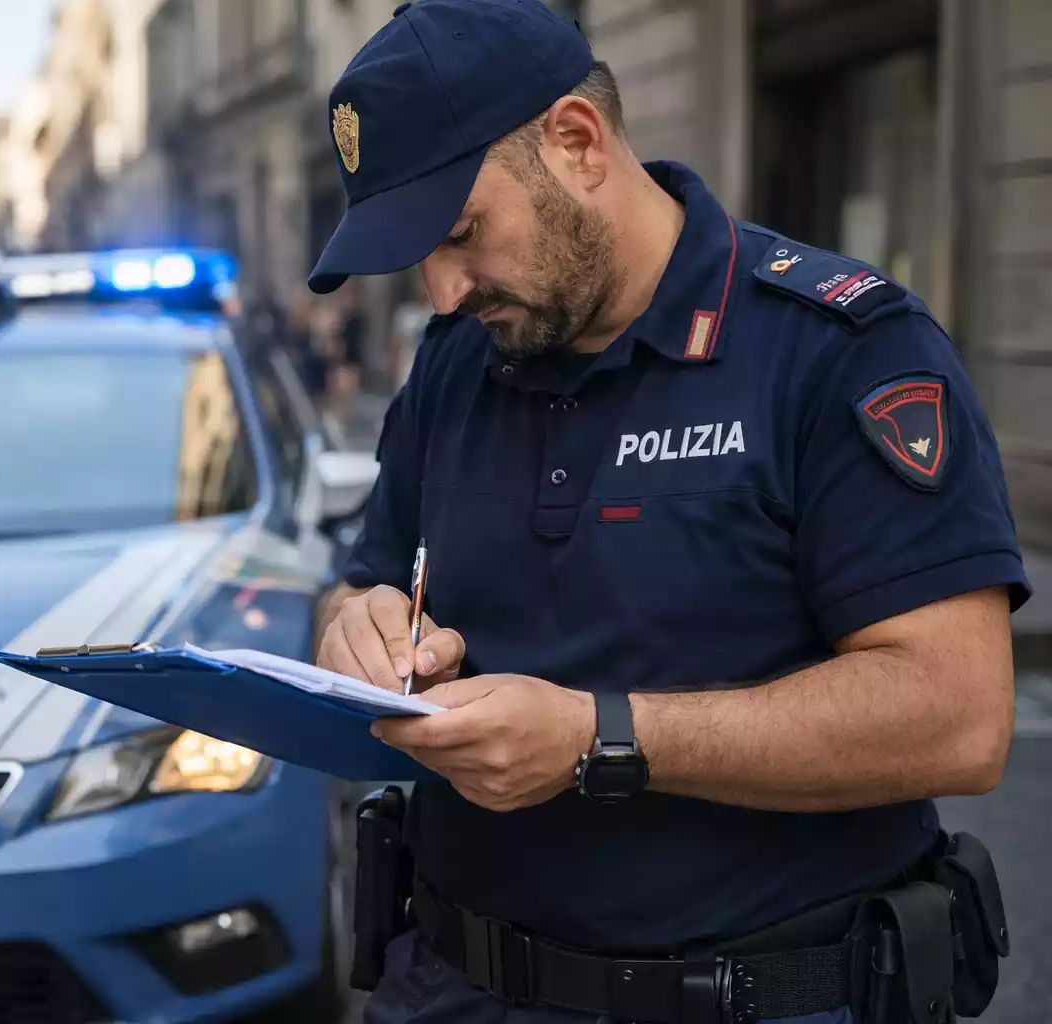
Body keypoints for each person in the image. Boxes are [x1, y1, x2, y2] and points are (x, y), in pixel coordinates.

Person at [307, 2, 1025, 1022]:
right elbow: (366, 580)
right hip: (450, 984)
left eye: (461, 233)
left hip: (759, 995)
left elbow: (958, 716)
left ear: (578, 143)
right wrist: (355, 633)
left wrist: (601, 740)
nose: (443, 289)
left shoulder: (841, 351)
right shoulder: (456, 363)